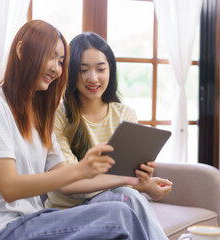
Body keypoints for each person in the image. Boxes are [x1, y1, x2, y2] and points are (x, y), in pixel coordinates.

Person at [0, 20, 150, 240]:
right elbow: (9, 187)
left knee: (122, 209)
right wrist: (80, 169)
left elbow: (69, 181)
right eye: (50, 57)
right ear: (21, 50)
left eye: (60, 61)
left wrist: (128, 179)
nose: (56, 69)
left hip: (32, 221)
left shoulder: (40, 117)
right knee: (118, 215)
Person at [45, 32, 173, 240]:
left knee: (127, 198)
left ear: (110, 70)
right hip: (67, 215)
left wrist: (142, 180)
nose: (93, 78)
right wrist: (133, 184)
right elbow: (69, 186)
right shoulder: (58, 117)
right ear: (69, 73)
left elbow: (124, 178)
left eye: (101, 69)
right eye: (83, 70)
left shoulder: (124, 115)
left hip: (114, 204)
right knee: (129, 197)